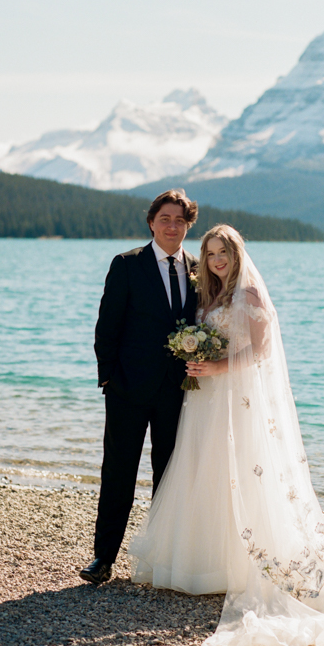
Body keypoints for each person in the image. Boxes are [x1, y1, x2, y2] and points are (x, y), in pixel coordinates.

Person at [129, 224, 324, 646]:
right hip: (207, 400)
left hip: (238, 398)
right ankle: (203, 566)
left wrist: (217, 367)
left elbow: (260, 351)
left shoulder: (249, 295)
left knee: (244, 471)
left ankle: (245, 567)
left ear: (236, 252)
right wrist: (197, 359)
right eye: (210, 253)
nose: (216, 260)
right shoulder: (209, 296)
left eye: (223, 251)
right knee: (205, 469)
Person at [79, 190, 199, 586]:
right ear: (151, 222)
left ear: (188, 226)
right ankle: (103, 557)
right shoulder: (127, 264)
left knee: (169, 475)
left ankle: (163, 559)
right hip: (127, 390)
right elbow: (106, 327)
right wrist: (108, 379)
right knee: (118, 473)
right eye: (165, 218)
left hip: (179, 392)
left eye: (179, 220)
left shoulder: (199, 270)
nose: (172, 226)